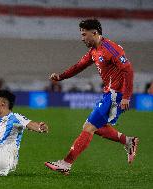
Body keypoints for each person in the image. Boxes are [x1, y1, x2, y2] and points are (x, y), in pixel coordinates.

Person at [45, 18, 138, 175]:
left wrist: (126, 96)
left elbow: (128, 70)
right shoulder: (94, 51)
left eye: (84, 34)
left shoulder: (111, 48)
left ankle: (66, 163)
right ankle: (129, 141)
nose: (82, 38)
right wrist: (60, 77)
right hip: (109, 93)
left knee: (89, 127)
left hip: (117, 94)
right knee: (97, 128)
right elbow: (79, 66)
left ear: (94, 33)